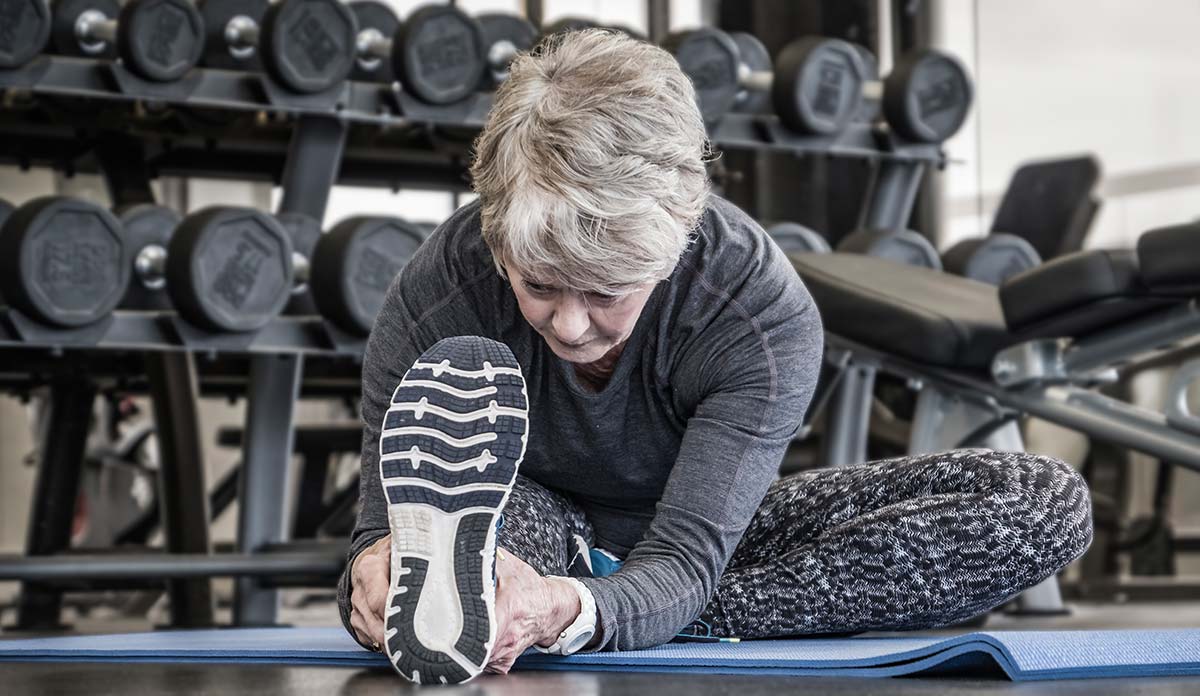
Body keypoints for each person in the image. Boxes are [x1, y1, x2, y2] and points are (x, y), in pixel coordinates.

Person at [337, 30, 1093, 685]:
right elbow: (377, 527)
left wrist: (584, 606)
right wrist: (373, 576)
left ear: (674, 242)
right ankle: (567, 601)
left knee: (1040, 503)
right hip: (538, 529)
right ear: (498, 239)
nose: (568, 326)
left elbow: (692, 553)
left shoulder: (760, 316)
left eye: (606, 293)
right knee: (474, 538)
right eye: (538, 285)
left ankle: (640, 613)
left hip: (721, 544)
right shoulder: (437, 297)